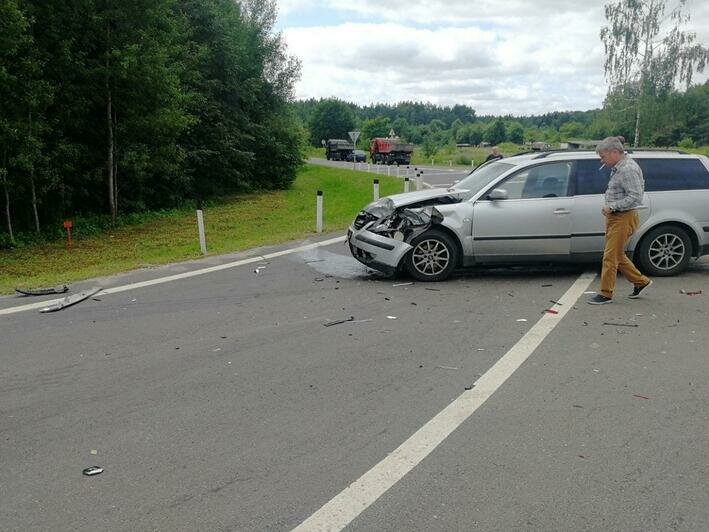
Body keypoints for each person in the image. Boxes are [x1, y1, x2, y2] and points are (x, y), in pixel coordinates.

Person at [588, 136, 652, 305]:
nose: (602, 160)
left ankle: (605, 293)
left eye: (603, 156)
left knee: (610, 256)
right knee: (616, 254)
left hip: (623, 217)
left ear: (615, 152)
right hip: (616, 216)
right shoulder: (619, 166)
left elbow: (636, 197)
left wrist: (612, 206)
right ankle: (641, 281)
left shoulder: (628, 169)